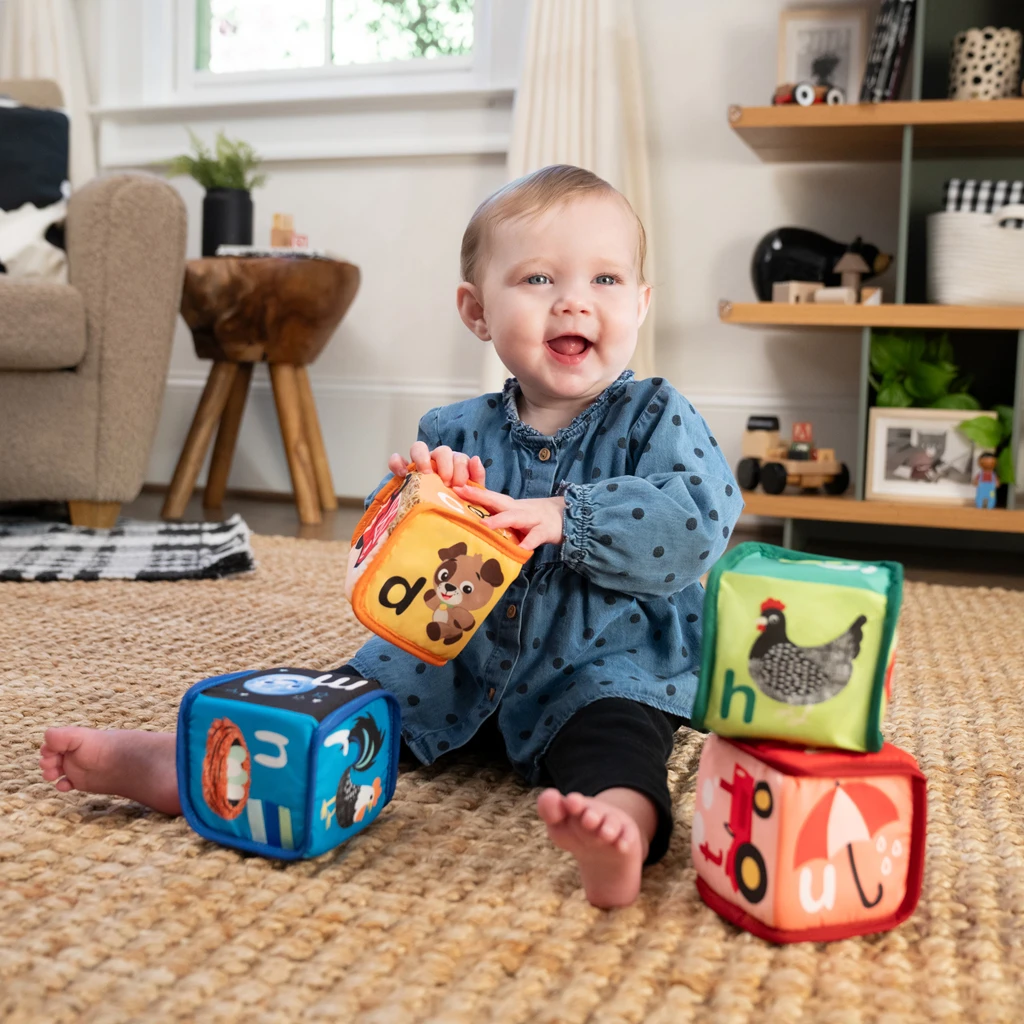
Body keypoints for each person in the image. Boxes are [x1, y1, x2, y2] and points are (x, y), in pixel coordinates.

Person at [40, 165, 744, 909]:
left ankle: (620, 829)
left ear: (640, 303)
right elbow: (398, 570)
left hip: (603, 661)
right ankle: (184, 769)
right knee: (344, 703)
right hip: (452, 662)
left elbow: (702, 517)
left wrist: (570, 516)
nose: (574, 300)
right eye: (539, 279)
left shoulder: (655, 416)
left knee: (618, 741)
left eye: (605, 279)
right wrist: (423, 498)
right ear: (477, 310)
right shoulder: (454, 431)